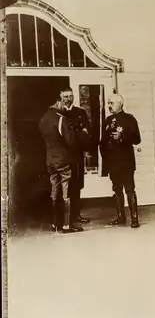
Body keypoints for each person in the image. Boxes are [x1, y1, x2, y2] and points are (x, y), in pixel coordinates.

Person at [38, 98, 80, 233]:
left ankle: (55, 224)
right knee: (66, 192)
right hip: (62, 160)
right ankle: (67, 225)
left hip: (50, 160)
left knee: (54, 191)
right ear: (56, 103)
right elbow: (70, 140)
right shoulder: (62, 119)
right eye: (62, 103)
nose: (65, 105)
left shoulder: (43, 119)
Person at [100, 93, 141, 228]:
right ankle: (120, 216)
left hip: (126, 162)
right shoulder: (107, 120)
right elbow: (103, 141)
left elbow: (137, 139)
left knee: (129, 189)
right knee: (116, 189)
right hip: (112, 162)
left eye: (112, 103)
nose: (109, 106)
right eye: (108, 103)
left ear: (120, 104)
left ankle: (134, 219)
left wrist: (122, 136)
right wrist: (104, 158)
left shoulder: (130, 119)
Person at [60, 87, 91, 229]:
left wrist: (79, 135)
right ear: (61, 98)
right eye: (65, 96)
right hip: (63, 156)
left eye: (71, 96)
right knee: (65, 186)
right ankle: (65, 217)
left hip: (77, 155)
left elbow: (86, 132)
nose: (68, 99)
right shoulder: (58, 114)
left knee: (77, 185)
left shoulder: (80, 112)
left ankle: (76, 215)